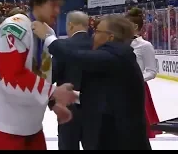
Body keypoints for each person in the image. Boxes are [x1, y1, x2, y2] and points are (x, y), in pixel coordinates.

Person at [0, 0, 76, 150]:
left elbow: (40, 73)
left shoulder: (47, 32)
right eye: (53, 5)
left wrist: (51, 101)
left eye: (60, 6)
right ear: (37, 2)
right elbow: (11, 77)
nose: (58, 11)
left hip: (30, 122)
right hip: (2, 123)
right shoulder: (14, 27)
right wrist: (53, 92)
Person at [33, 15, 151, 150]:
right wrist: (75, 97)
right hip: (112, 137)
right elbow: (105, 95)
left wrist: (49, 37)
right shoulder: (114, 58)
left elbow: (75, 57)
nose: (93, 35)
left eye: (97, 31)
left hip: (122, 140)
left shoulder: (117, 55)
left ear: (111, 37)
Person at [53, 11, 92, 150]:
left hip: (68, 108)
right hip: (95, 108)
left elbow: (52, 75)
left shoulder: (62, 46)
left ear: (70, 25)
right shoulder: (97, 45)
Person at [126, 8, 161, 138]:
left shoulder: (145, 46)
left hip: (137, 89)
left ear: (135, 26)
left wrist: (135, 78)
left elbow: (152, 71)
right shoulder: (120, 44)